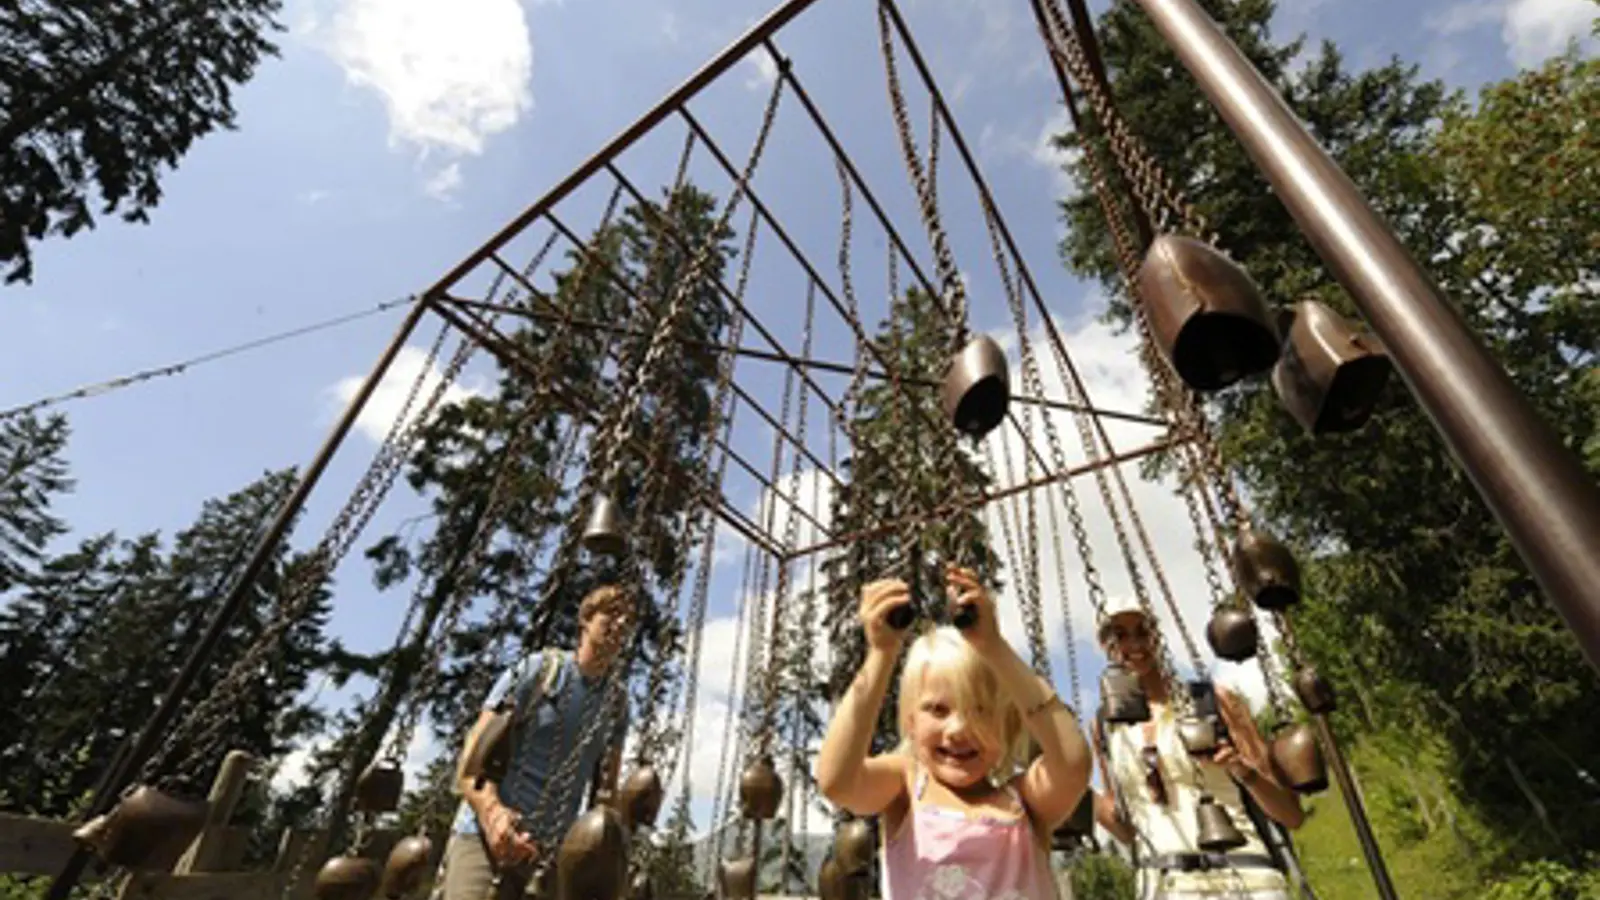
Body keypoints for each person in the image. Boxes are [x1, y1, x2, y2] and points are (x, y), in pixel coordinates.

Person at [816, 565, 1092, 900]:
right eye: (938, 710)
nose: (959, 729)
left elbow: (1072, 761)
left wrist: (994, 647)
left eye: (981, 711)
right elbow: (838, 781)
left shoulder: (1026, 803)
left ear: (1006, 726)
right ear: (911, 723)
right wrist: (880, 656)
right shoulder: (905, 788)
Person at [1090, 598, 1305, 899]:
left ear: (1158, 635)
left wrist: (1242, 770)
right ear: (1105, 646)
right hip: (1164, 885)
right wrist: (1074, 788)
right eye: (1120, 635)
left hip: (1243, 878)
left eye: (1143, 631)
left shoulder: (1214, 701)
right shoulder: (1104, 726)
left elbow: (1291, 815)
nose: (1135, 643)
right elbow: (1126, 829)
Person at [439, 584, 634, 900]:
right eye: (612, 614)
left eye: (628, 620)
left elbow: (605, 796)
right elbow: (471, 764)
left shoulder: (617, 706)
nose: (621, 624)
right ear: (585, 619)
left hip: (550, 859)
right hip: (484, 840)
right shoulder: (539, 671)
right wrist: (493, 817)